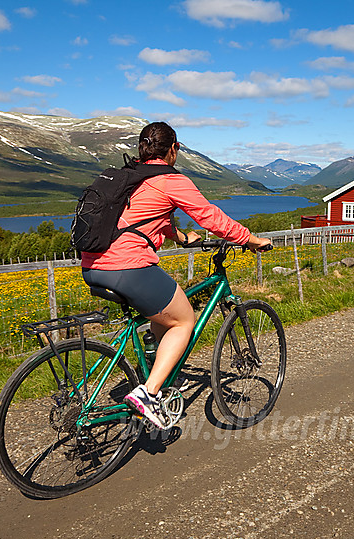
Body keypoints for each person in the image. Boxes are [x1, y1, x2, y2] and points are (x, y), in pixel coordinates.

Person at [81, 122, 272, 429]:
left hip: (93, 265)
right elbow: (210, 216)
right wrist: (249, 239)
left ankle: (167, 373)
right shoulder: (169, 179)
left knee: (163, 313)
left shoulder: (132, 176)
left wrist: (181, 238)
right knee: (184, 320)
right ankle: (148, 393)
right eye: (177, 149)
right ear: (173, 149)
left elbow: (145, 217)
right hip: (126, 266)